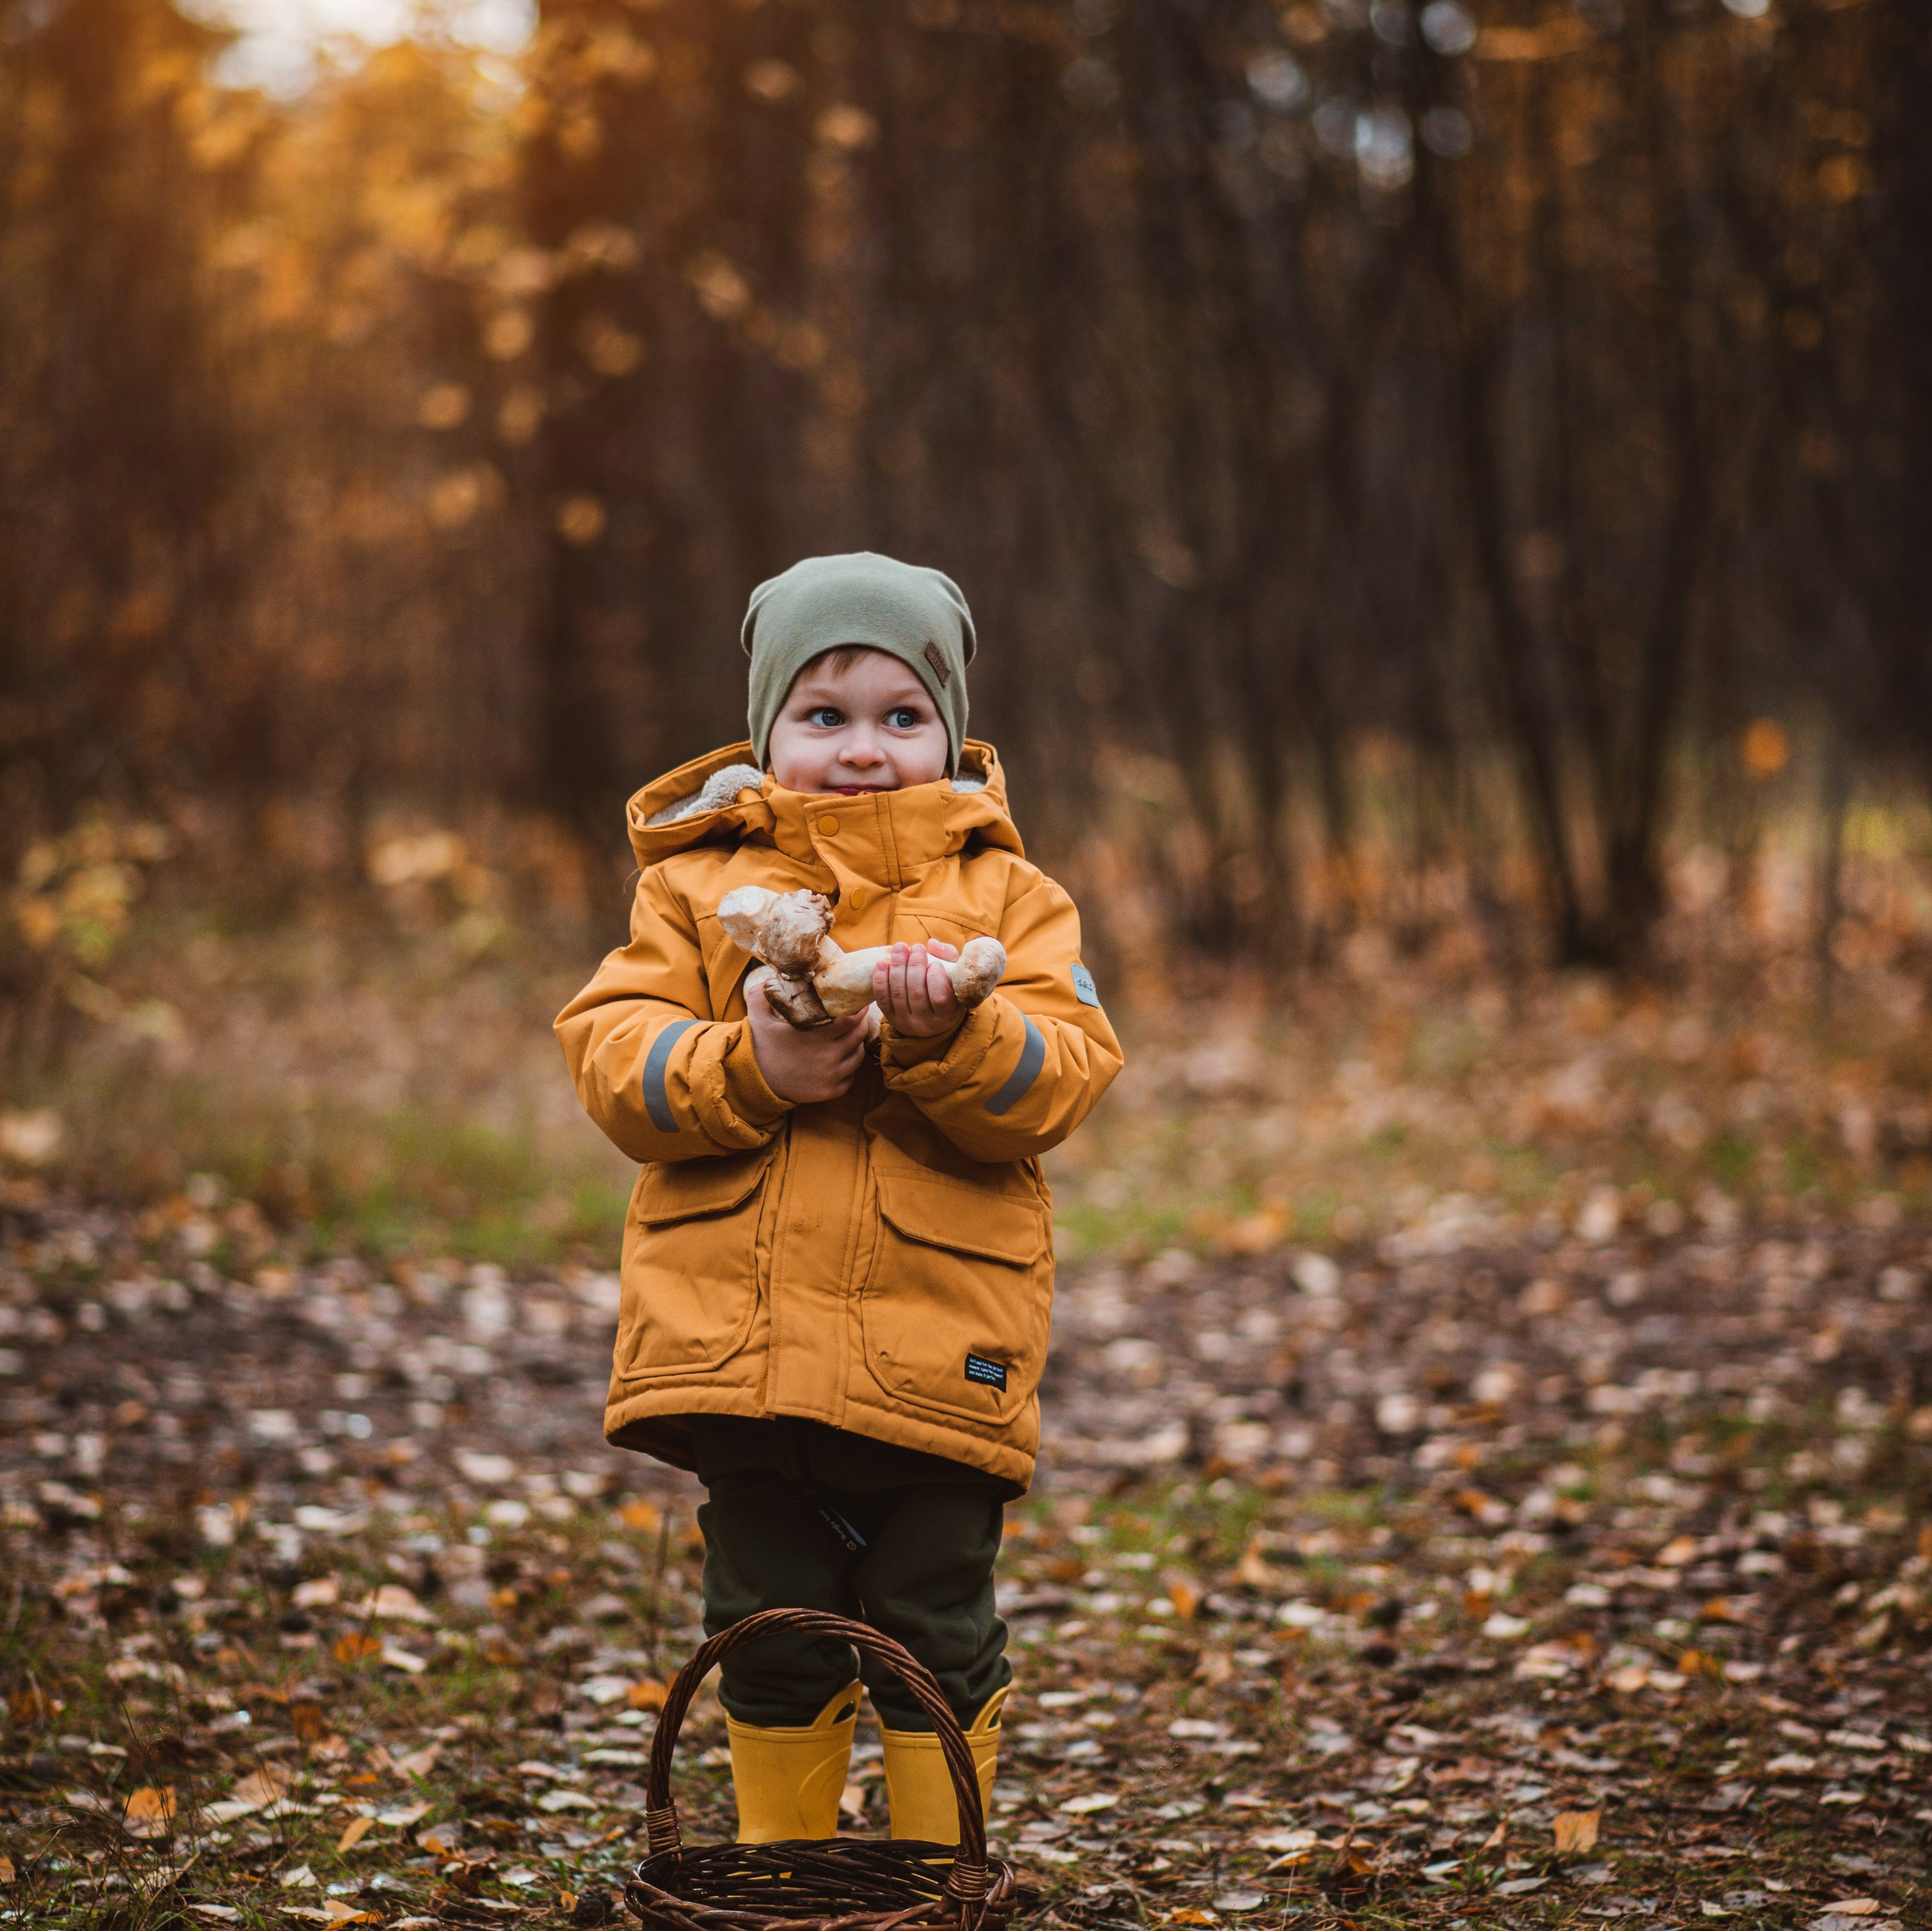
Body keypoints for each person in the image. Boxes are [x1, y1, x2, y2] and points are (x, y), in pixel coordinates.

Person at [555, 551, 1123, 1847]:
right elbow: (613, 1059)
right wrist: (750, 1066)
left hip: (936, 1348)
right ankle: (784, 1870)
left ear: (950, 732)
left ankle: (936, 1870)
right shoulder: (694, 891)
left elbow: (1060, 1078)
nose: (864, 749)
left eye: (901, 715)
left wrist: (949, 1036)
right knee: (763, 1622)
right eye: (825, 714)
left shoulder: (1010, 900)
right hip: (743, 1354)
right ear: (767, 733)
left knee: (937, 1618)